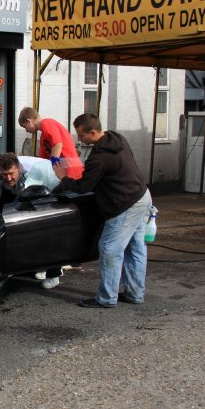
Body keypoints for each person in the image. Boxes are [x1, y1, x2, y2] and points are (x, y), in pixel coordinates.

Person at [52, 113, 152, 308]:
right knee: (135, 248)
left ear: (93, 132)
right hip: (142, 195)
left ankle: (107, 298)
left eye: (81, 136)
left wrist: (63, 177)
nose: (79, 139)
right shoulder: (117, 138)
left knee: (109, 248)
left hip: (125, 204)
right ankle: (134, 294)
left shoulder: (100, 157)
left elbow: (83, 186)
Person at [0, 152, 64, 289]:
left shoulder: (30, 175)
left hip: (48, 185)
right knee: (9, 223)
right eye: (4, 174)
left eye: (11, 173)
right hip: (17, 190)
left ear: (18, 168)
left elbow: (28, 201)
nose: (8, 177)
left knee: (45, 229)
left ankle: (54, 273)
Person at [18, 107, 84, 180]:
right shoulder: (43, 136)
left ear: (28, 121)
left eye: (25, 126)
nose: (26, 130)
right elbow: (43, 160)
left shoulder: (47, 123)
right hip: (65, 171)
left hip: (70, 171)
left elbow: (57, 144)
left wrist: (53, 165)